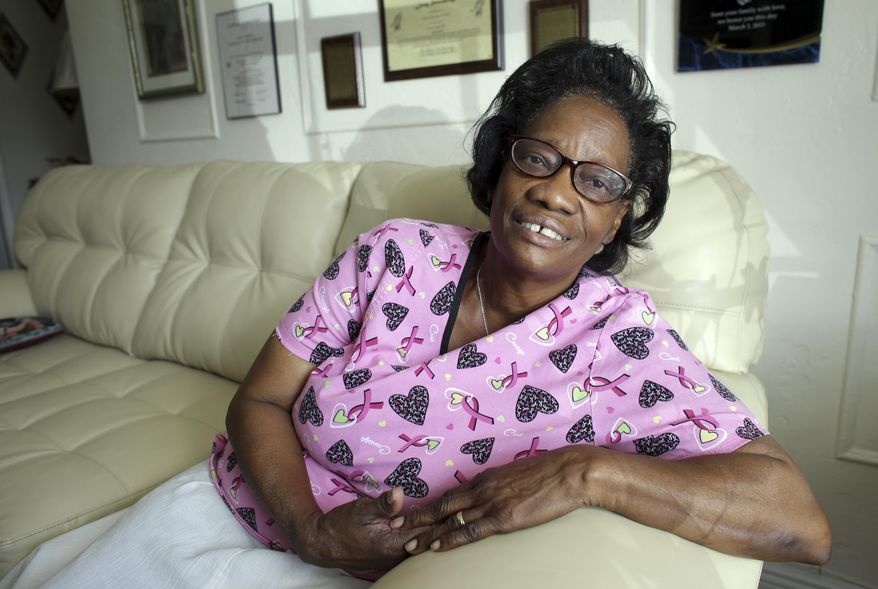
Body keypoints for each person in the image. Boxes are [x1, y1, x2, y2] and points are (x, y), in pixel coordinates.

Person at [211, 38, 831, 580]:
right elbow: (260, 399)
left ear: (618, 218)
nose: (555, 193)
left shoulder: (624, 345)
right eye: (538, 158)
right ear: (501, 165)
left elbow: (800, 524)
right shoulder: (396, 254)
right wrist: (309, 533)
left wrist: (588, 474)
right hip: (241, 510)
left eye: (597, 181)